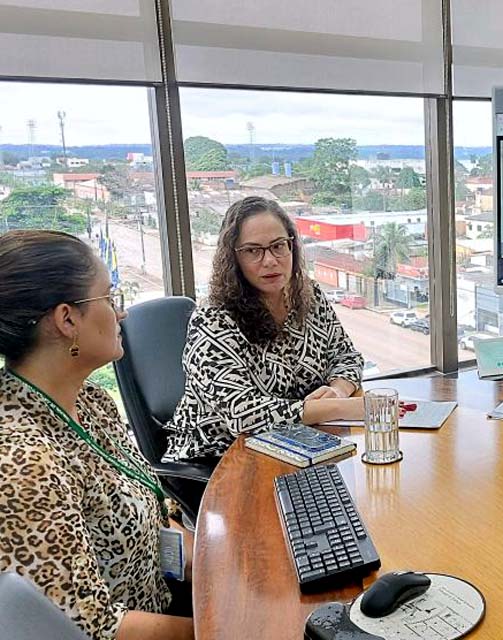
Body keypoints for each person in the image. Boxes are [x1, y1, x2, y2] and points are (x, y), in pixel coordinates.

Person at [0, 230, 194, 640]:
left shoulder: (90, 400)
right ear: (67, 319)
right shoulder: (24, 464)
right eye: (108, 298)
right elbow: (96, 630)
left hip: (163, 602)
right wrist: (231, 627)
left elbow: (151, 522)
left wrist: (225, 567)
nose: (120, 313)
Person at [163, 197, 364, 463]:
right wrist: (337, 408)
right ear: (232, 257)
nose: (270, 260)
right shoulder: (213, 319)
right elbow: (242, 415)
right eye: (252, 251)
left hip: (297, 443)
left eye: (278, 246)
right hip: (219, 456)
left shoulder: (309, 294)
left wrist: (338, 390)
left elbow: (347, 357)